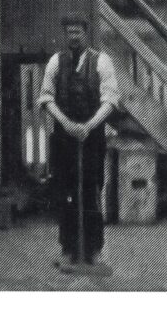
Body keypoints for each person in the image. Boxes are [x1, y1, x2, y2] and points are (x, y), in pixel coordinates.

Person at [37, 13, 120, 269]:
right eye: (69, 33)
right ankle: (68, 250)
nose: (74, 37)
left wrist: (89, 125)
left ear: (86, 33)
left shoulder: (101, 62)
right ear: (65, 34)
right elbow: (46, 97)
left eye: (78, 33)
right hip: (64, 137)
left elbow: (110, 99)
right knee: (67, 193)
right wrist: (67, 124)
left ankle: (93, 251)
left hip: (92, 136)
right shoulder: (55, 62)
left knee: (92, 190)